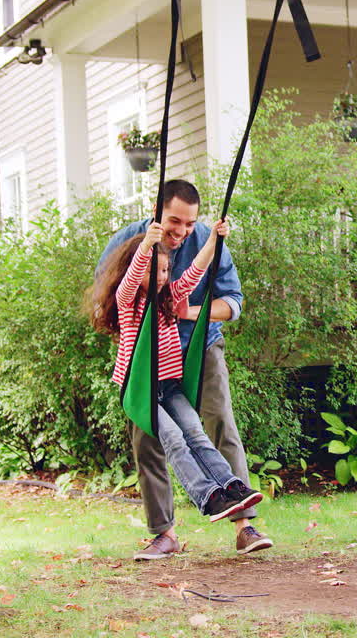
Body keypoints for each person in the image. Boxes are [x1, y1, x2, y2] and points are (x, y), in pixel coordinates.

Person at [97, 180, 272, 559]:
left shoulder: (190, 261)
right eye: (175, 222)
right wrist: (131, 339)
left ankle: (243, 520)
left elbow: (224, 294)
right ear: (157, 211)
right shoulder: (131, 245)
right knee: (153, 440)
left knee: (214, 424)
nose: (182, 232)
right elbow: (113, 292)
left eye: (190, 225)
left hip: (198, 348)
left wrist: (189, 309)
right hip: (147, 368)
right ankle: (165, 533)